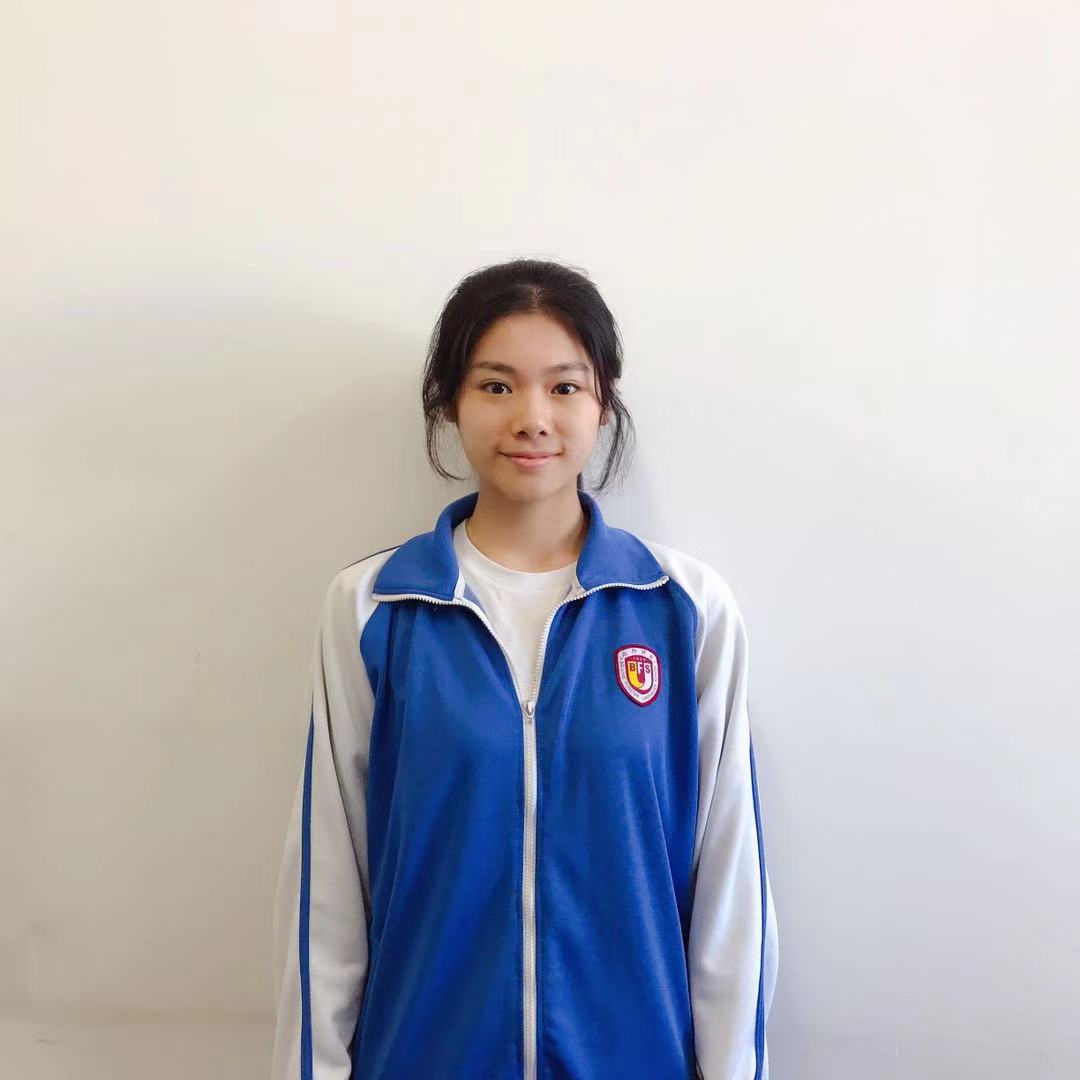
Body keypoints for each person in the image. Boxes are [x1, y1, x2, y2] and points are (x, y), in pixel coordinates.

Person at [270, 258, 779, 1080]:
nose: (532, 418)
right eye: (497, 386)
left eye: (565, 387)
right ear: (450, 401)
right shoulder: (374, 609)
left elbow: (730, 892)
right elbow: (326, 889)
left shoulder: (684, 611)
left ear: (603, 402)